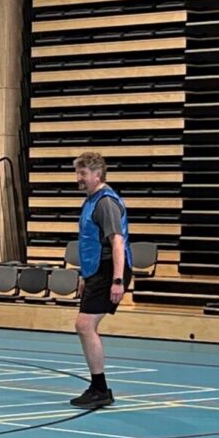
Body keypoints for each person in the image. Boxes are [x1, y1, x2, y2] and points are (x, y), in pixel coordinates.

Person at [69, 151, 129, 409]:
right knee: (84, 326)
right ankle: (98, 386)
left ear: (97, 174)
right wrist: (85, 274)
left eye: (83, 174)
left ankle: (100, 388)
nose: (78, 178)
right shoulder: (90, 201)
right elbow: (88, 242)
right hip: (96, 270)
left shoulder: (105, 203)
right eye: (78, 173)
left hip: (109, 269)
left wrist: (117, 279)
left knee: (84, 325)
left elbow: (117, 242)